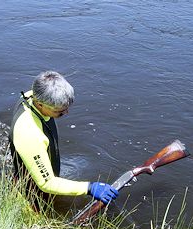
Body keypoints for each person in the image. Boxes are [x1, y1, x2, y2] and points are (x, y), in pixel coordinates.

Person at [9, 70, 118, 210]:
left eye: (66, 108)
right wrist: (89, 188)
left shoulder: (34, 93)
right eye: (59, 111)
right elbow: (46, 183)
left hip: (37, 170)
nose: (66, 113)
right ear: (40, 104)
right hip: (31, 191)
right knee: (41, 212)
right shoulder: (29, 134)